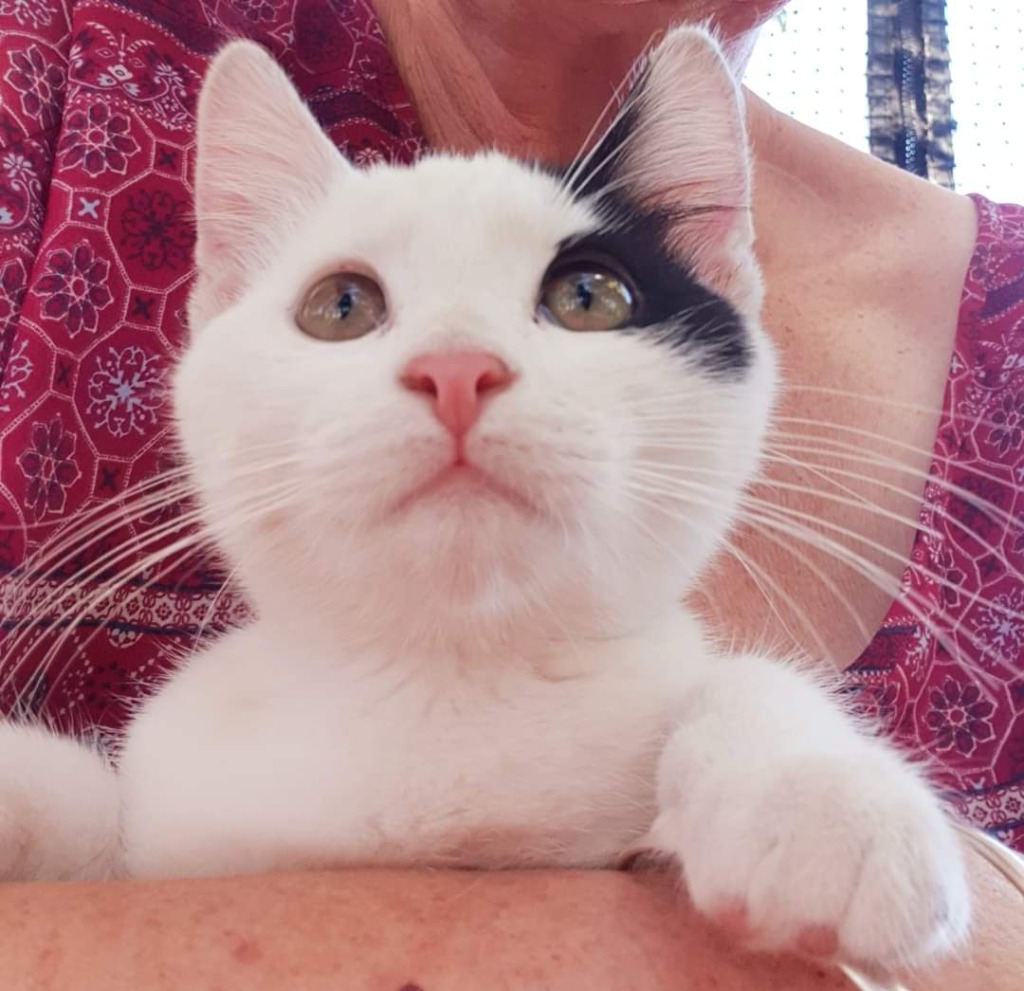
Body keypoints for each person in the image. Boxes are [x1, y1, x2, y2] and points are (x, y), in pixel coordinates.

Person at [0, 1, 1020, 987]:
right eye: (343, 306)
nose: (457, 368)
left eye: (584, 296)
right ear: (219, 303)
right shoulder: (175, 755)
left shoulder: (709, 734)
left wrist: (766, 741)